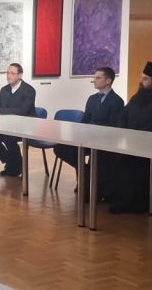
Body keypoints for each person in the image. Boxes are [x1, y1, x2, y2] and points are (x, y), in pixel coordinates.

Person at [108, 61, 152, 214]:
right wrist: (123, 132)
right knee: (115, 160)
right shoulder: (137, 97)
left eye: (145, 79)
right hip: (130, 143)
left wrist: (138, 137)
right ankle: (122, 199)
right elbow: (123, 116)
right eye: (142, 77)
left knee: (139, 167)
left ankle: (140, 203)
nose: (141, 81)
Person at [52, 66, 124, 198]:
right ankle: (86, 173)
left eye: (98, 78)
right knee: (60, 148)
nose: (94, 80)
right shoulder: (92, 99)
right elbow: (85, 120)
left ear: (108, 81)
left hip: (104, 142)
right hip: (88, 138)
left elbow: (114, 126)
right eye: (94, 77)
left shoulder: (117, 101)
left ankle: (88, 181)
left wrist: (93, 128)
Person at [0, 63, 37, 178]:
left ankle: (14, 165)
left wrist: (0, 110)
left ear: (20, 75)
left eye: (12, 73)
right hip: (8, 126)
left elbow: (23, 110)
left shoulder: (29, 90)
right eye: (7, 73)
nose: (8, 76)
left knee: (8, 136)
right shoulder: (4, 90)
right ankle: (13, 162)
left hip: (26, 127)